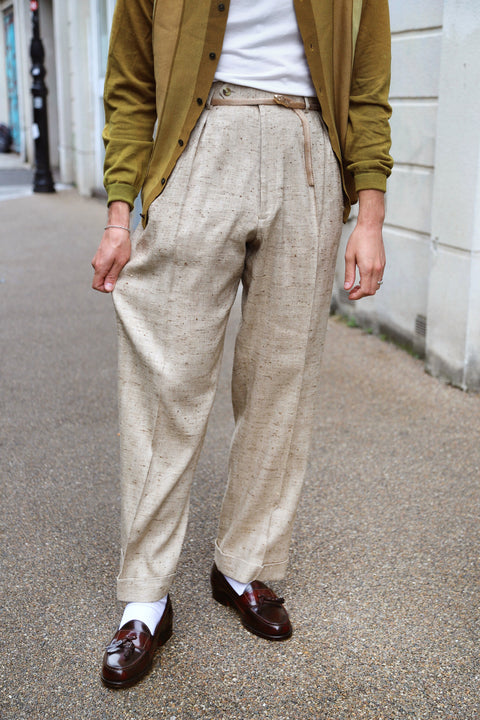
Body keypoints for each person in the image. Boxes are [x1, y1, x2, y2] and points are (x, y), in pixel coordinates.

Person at [92, 0, 392, 689]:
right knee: (164, 377)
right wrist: (118, 211)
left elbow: (370, 90)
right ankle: (145, 596)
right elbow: (132, 83)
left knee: (282, 379)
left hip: (310, 148)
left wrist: (368, 213)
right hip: (198, 147)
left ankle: (243, 565)